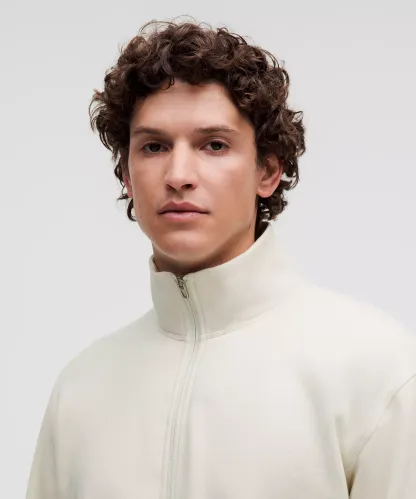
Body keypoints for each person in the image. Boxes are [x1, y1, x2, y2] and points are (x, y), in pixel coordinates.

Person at [26, 19, 416, 499]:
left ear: (268, 170)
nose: (179, 175)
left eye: (214, 145)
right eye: (154, 146)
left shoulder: (379, 371)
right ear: (127, 174)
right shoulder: (80, 391)